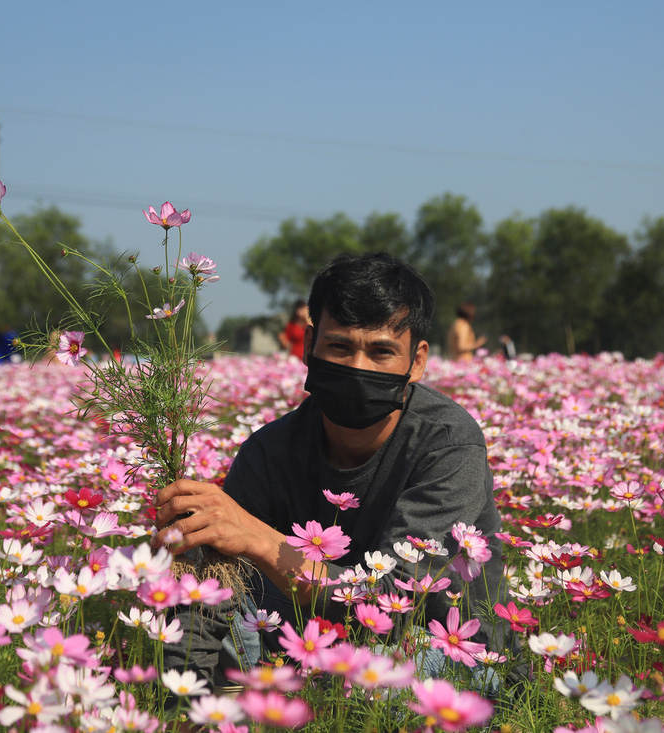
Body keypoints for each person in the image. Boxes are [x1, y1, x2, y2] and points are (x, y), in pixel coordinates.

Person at [153, 253, 512, 688]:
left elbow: (390, 609)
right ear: (308, 346)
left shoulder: (447, 442)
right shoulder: (268, 451)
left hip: (443, 653)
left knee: (369, 675)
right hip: (310, 647)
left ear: (416, 362)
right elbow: (212, 594)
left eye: (381, 352)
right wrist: (181, 694)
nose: (357, 368)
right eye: (339, 346)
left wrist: (260, 540)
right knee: (219, 599)